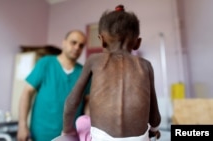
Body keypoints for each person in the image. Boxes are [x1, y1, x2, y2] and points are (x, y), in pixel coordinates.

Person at [62, 5, 161, 141]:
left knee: (83, 121)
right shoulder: (145, 65)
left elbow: (72, 101)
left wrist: (67, 132)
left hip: (101, 138)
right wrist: (154, 129)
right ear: (137, 43)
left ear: (101, 40)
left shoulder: (94, 61)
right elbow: (154, 111)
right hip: (139, 139)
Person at [17, 30, 90, 141]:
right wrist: (22, 125)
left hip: (70, 137)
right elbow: (27, 93)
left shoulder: (84, 72)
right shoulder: (46, 63)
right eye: (73, 43)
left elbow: (88, 102)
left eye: (81, 45)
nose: (77, 48)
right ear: (64, 43)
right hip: (41, 135)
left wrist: (87, 129)